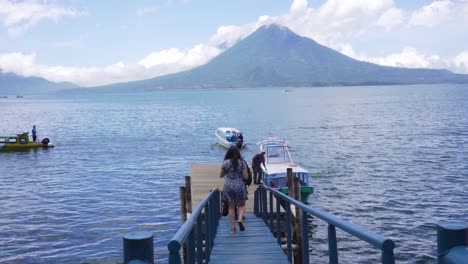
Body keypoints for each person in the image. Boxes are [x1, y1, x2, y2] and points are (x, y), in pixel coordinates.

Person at [220, 146, 249, 234]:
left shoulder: (225, 163)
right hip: (239, 185)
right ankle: (240, 219)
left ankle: (233, 228)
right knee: (242, 204)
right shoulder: (242, 163)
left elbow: (221, 175)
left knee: (231, 207)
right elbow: (246, 177)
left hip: (228, 186)